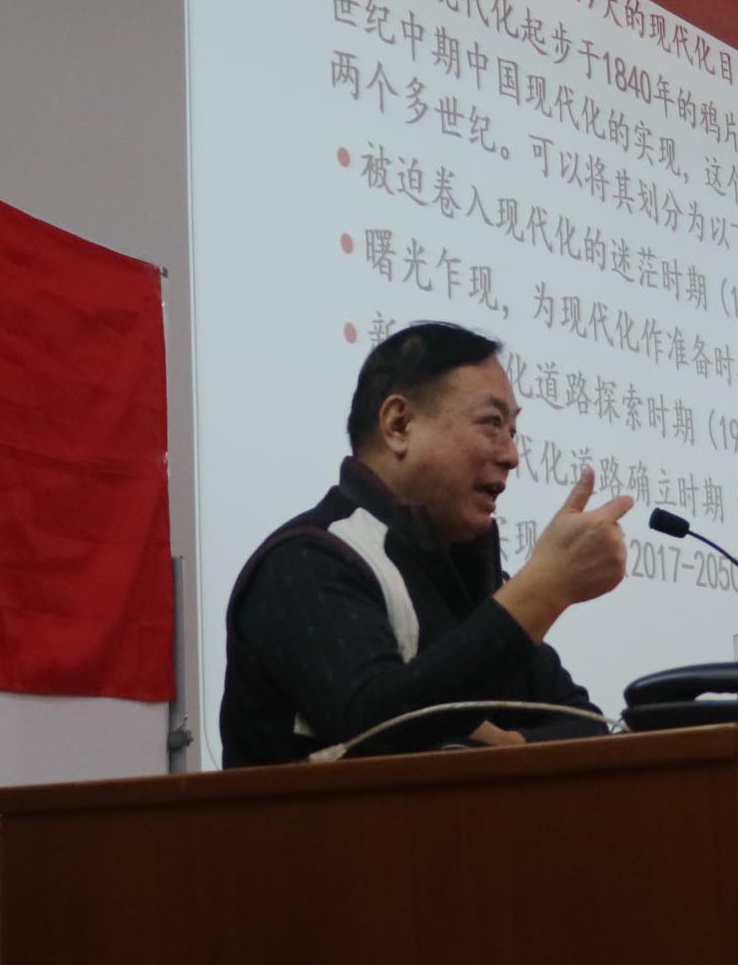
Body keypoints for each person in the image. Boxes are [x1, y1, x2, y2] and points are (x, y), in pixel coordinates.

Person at [218, 322, 637, 767]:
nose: (512, 456)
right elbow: (377, 727)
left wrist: (506, 747)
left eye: (513, 431)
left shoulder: (469, 577)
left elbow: (587, 726)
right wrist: (545, 586)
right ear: (398, 425)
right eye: (492, 423)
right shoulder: (306, 560)